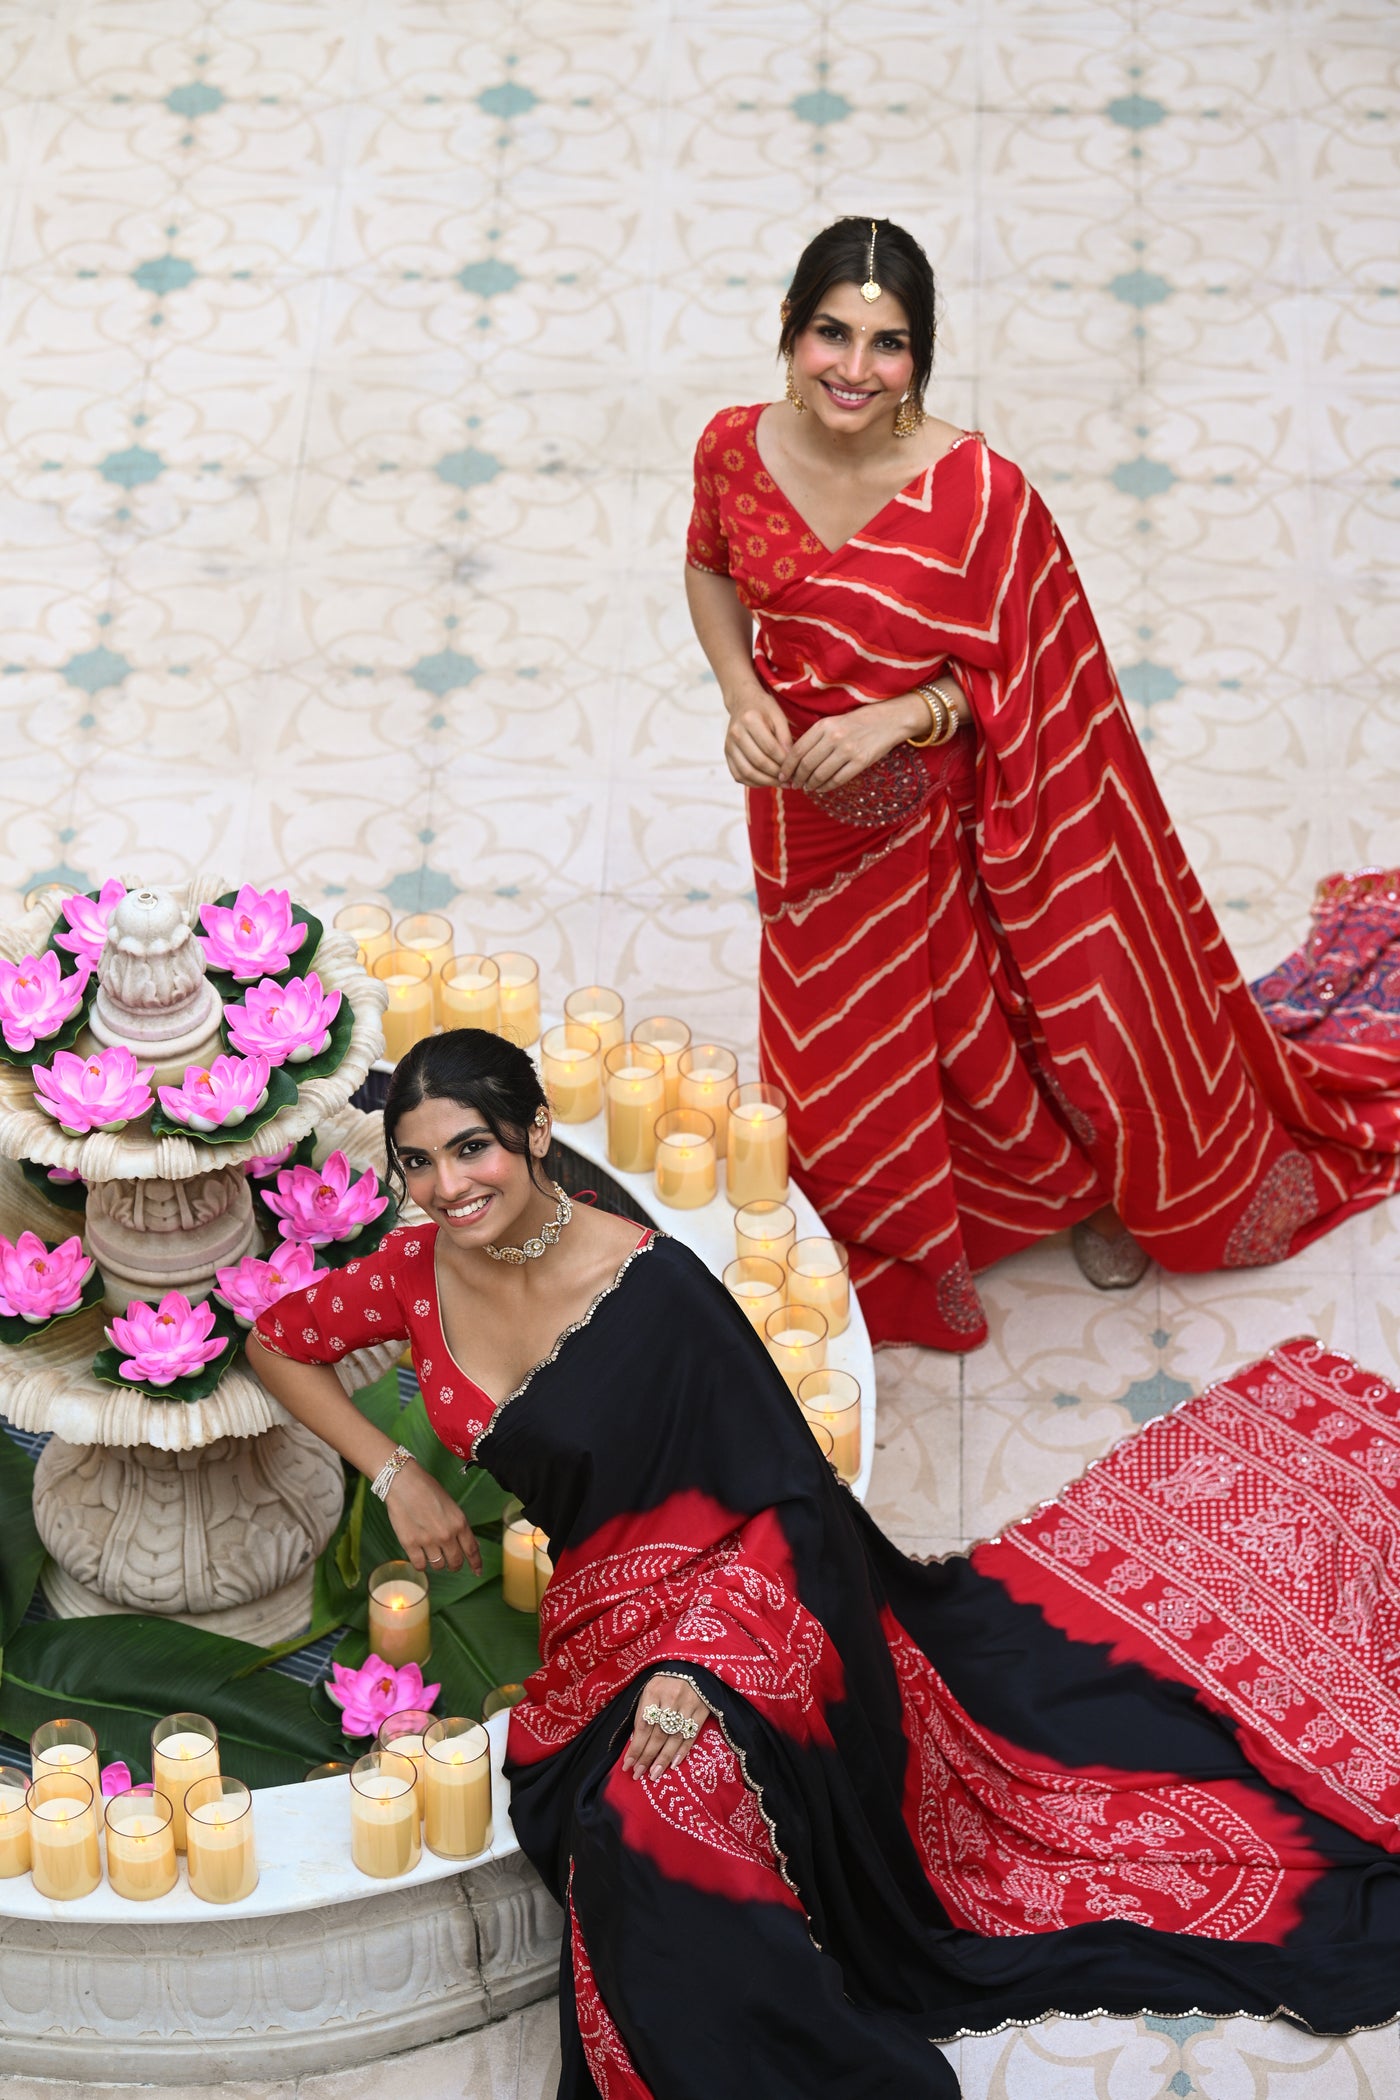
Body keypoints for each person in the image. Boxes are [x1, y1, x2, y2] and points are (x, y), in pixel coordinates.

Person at [249, 1031, 1400, 2100]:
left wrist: (697, 1667)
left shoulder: (652, 1291)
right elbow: (275, 1343)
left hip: (752, 1606)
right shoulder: (412, 1274)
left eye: (472, 1148)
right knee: (625, 1824)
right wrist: (392, 1475)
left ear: (536, 1136)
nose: (450, 1186)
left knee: (657, 1821)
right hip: (598, 1615)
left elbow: (789, 1503)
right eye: (419, 1163)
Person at [684, 214, 1400, 1353]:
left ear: (921, 357)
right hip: (794, 811)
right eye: (831, 333)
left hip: (945, 814)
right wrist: (739, 693)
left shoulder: (975, 491)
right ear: (787, 328)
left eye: (889, 344)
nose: (855, 371)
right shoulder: (733, 447)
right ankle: (890, 1215)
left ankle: (1082, 1184)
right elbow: (710, 567)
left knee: (1003, 1013)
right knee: (833, 1033)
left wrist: (896, 716)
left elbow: (1031, 666)